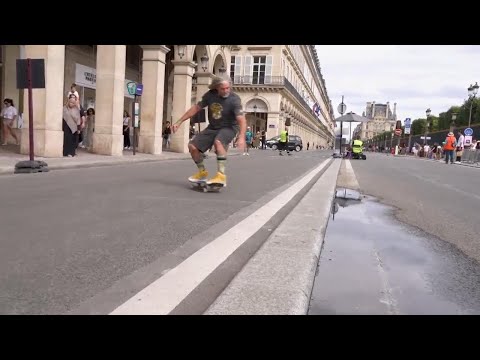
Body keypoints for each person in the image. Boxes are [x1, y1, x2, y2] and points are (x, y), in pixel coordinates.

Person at [172, 77, 246, 187]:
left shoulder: (234, 99)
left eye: (228, 88)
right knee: (192, 146)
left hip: (229, 127)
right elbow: (196, 108)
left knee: (218, 142)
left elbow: (241, 119)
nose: (226, 91)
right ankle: (202, 173)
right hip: (213, 127)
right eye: (223, 89)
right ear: (216, 88)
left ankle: (221, 175)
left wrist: (241, 137)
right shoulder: (210, 95)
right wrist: (179, 121)